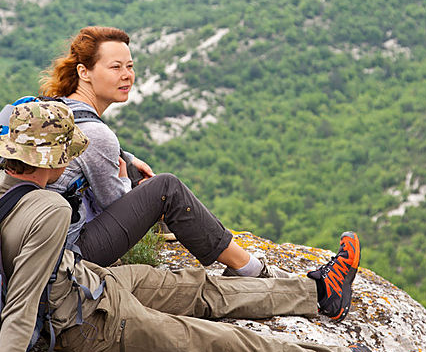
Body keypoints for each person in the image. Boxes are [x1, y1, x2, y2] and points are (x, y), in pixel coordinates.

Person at [0, 101, 414, 352]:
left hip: (89, 282)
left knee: (200, 288)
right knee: (216, 341)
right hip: (86, 325)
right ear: (54, 159)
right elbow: (22, 302)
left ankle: (318, 294)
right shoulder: (49, 209)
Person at [42, 26, 286, 278]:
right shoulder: (97, 135)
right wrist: (132, 186)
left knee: (137, 172)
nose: (127, 75)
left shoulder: (56, 107)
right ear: (84, 72)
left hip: (40, 241)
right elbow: (118, 208)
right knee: (167, 188)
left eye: (130, 66)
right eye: (115, 67)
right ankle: (249, 268)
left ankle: (175, 224)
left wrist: (129, 159)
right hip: (70, 253)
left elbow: (90, 156)